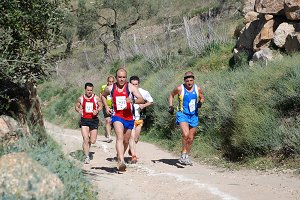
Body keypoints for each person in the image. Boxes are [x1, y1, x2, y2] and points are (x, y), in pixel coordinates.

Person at [101, 68, 144, 171]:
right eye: (119, 77)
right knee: (119, 137)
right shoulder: (110, 88)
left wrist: (132, 100)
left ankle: (120, 155)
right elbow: (103, 96)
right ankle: (121, 161)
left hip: (129, 117)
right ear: (116, 77)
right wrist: (106, 107)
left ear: (126, 77)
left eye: (124, 77)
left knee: (126, 140)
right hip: (117, 116)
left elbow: (141, 99)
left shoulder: (131, 87)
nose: (121, 79)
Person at [168, 71, 204, 166]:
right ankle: (183, 154)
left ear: (193, 80)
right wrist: (171, 106)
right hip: (182, 114)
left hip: (194, 115)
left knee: (191, 138)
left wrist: (201, 102)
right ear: (184, 81)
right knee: (186, 134)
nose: (189, 82)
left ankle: (186, 156)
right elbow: (171, 95)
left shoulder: (198, 89)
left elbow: (202, 97)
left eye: (191, 80)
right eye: (187, 80)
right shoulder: (180, 88)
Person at [128, 75, 154, 164]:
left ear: (139, 84)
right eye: (132, 84)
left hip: (140, 118)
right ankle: (134, 156)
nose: (134, 86)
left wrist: (144, 105)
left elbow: (151, 101)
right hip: (130, 118)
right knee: (131, 137)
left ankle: (131, 149)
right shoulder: (127, 93)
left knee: (136, 138)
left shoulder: (144, 92)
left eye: (136, 84)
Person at [75, 82, 102, 164]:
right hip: (84, 120)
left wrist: (97, 110)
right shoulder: (81, 98)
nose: (89, 92)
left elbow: (101, 106)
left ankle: (86, 146)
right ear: (85, 89)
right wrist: (79, 110)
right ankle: (86, 156)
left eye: (91, 90)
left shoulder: (96, 98)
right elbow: (76, 106)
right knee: (86, 138)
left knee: (92, 141)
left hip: (94, 120)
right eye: (88, 90)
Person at [100, 75, 115, 143]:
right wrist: (104, 105)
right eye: (109, 81)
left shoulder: (115, 87)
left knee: (112, 122)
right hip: (106, 106)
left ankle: (107, 130)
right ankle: (109, 136)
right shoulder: (103, 87)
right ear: (107, 81)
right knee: (108, 120)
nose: (111, 83)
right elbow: (101, 96)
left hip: (114, 107)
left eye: (112, 81)